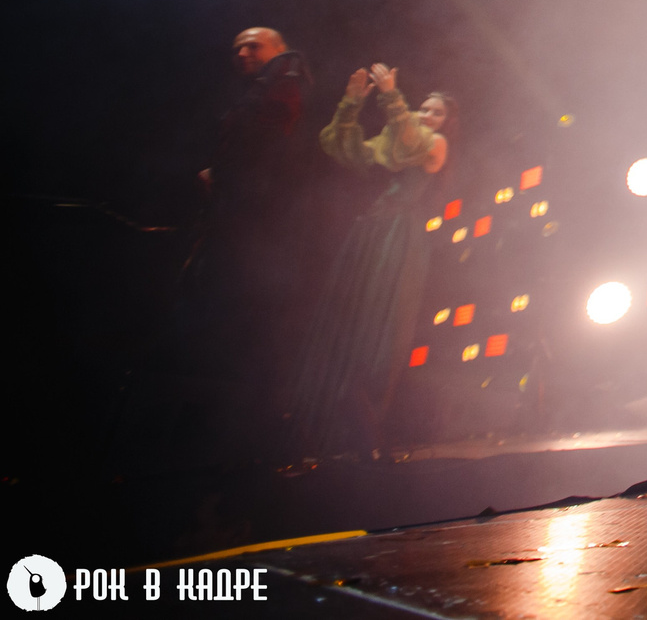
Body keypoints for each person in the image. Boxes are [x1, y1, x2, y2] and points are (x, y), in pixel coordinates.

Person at [287, 63, 452, 458]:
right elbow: (347, 150)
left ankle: (369, 433)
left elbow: (411, 143)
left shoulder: (436, 144)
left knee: (380, 329)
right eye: (425, 108)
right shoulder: (396, 138)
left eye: (437, 112)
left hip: (399, 237)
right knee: (346, 323)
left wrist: (391, 94)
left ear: (447, 123)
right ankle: (330, 428)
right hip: (371, 231)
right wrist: (351, 103)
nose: (428, 115)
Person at [177, 27, 315, 455]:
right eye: (236, 47)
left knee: (254, 322)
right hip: (248, 218)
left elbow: (263, 143)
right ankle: (245, 431)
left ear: (278, 48)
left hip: (259, 222)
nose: (242, 52)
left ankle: (261, 434)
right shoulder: (266, 86)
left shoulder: (285, 78)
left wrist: (223, 176)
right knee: (245, 325)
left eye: (253, 45)